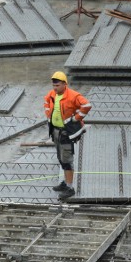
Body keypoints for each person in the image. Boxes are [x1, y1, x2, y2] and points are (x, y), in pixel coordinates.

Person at [43, 71, 91, 199]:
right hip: (56, 131)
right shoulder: (52, 94)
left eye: (57, 85)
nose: (55, 88)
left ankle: (70, 188)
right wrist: (48, 114)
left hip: (66, 132)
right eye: (54, 85)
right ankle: (65, 183)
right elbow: (46, 102)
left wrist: (76, 118)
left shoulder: (73, 95)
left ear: (65, 84)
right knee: (61, 158)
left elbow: (87, 105)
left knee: (67, 160)